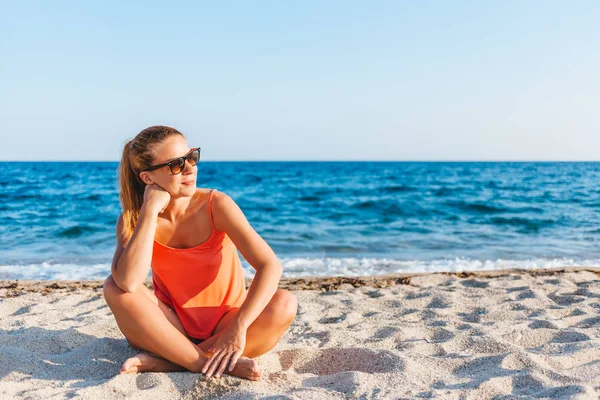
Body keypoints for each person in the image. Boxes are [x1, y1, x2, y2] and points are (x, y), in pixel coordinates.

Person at [102, 125, 298, 381]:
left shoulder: (216, 205)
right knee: (114, 287)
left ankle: (170, 363)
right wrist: (149, 212)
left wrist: (237, 329)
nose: (190, 168)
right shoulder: (133, 220)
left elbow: (270, 266)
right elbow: (128, 281)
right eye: (175, 164)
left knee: (284, 303)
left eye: (191, 157)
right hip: (169, 329)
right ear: (148, 178)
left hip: (226, 325)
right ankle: (200, 362)